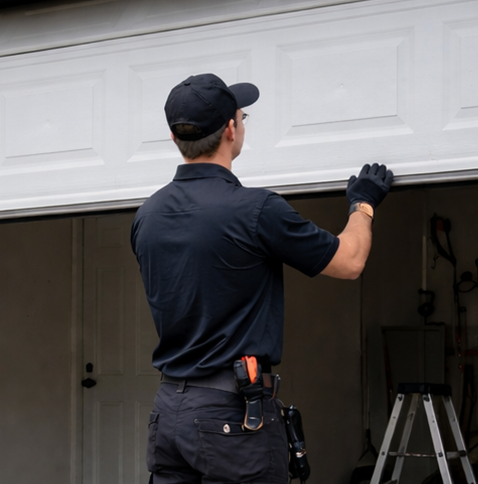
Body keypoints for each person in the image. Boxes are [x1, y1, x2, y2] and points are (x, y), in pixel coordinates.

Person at [133, 73, 392, 484]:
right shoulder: (255, 210)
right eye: (242, 117)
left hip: (169, 413)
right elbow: (349, 261)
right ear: (231, 130)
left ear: (174, 136)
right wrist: (363, 203)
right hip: (232, 415)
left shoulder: (147, 216)